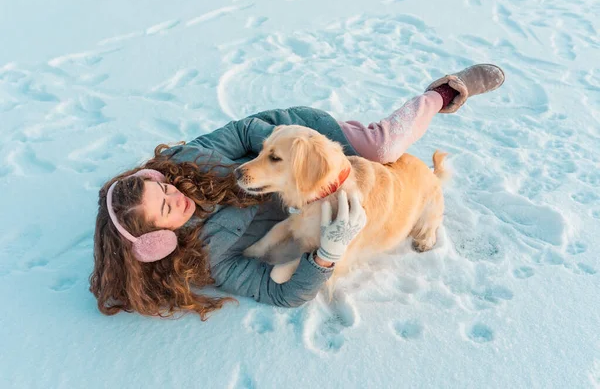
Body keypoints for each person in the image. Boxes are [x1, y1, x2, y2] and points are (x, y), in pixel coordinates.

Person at [89, 64, 505, 320]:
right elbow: (283, 293)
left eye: (162, 187)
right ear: (160, 240)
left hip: (294, 141)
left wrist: (295, 152)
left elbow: (244, 131)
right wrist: (328, 253)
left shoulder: (188, 162)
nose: (176, 194)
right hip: (289, 189)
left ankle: (444, 92)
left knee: (382, 150)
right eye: (166, 208)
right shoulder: (211, 257)